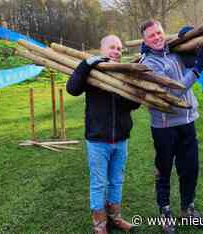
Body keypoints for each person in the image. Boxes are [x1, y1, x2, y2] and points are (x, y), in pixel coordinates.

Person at [139, 20, 203, 234]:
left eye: (159, 32)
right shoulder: (148, 63)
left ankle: (187, 208)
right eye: (151, 35)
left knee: (190, 168)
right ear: (144, 40)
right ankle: (165, 212)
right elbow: (172, 94)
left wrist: (190, 36)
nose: (157, 37)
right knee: (164, 170)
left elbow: (189, 58)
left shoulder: (176, 51)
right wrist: (197, 69)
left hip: (188, 121)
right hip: (164, 126)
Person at [66, 35, 140, 234]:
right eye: (112, 47)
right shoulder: (92, 73)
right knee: (99, 183)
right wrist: (87, 64)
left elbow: (134, 105)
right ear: (102, 49)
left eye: (119, 48)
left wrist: (133, 84)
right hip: (98, 140)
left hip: (121, 139)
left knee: (116, 180)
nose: (117, 51)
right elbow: (72, 89)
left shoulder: (123, 73)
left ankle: (115, 217)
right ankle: (100, 225)